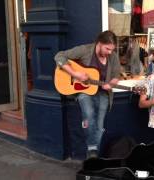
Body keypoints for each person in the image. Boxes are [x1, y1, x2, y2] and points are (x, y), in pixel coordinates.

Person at [54, 30, 121, 158]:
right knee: (89, 116)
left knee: (100, 125)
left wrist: (110, 84)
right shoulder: (85, 50)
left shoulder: (113, 57)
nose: (110, 52)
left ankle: (93, 154)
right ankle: (92, 150)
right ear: (100, 43)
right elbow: (59, 56)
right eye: (107, 49)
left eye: (112, 49)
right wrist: (75, 74)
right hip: (85, 91)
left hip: (103, 94)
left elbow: (116, 75)